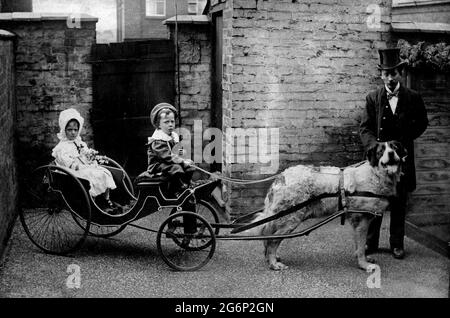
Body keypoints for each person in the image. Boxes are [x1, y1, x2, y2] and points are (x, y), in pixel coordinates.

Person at [359, 48, 428, 259]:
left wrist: (405, 141)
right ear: (381, 75)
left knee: (399, 202)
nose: (390, 78)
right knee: (376, 200)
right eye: (386, 74)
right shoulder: (373, 98)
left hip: (401, 159)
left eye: (394, 73)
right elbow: (365, 128)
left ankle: (397, 244)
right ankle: (371, 242)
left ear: (400, 73)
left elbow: (422, 122)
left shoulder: (413, 97)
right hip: (379, 161)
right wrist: (375, 148)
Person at [52, 108, 119, 214]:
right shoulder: (61, 147)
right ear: (64, 130)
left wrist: (90, 156)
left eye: (75, 129)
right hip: (71, 172)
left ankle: (105, 200)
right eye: (69, 130)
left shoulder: (79, 142)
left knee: (104, 172)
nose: (73, 133)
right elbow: (66, 162)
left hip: (83, 166)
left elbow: (86, 152)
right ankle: (94, 202)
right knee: (91, 176)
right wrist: (79, 165)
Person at [147, 103, 195, 198]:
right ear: (158, 125)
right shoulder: (158, 140)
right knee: (176, 169)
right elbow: (167, 156)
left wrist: (183, 155)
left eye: (172, 122)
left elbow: (177, 149)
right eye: (166, 122)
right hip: (158, 164)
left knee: (191, 166)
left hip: (170, 162)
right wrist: (182, 161)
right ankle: (176, 190)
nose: (170, 125)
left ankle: (187, 184)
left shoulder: (172, 136)